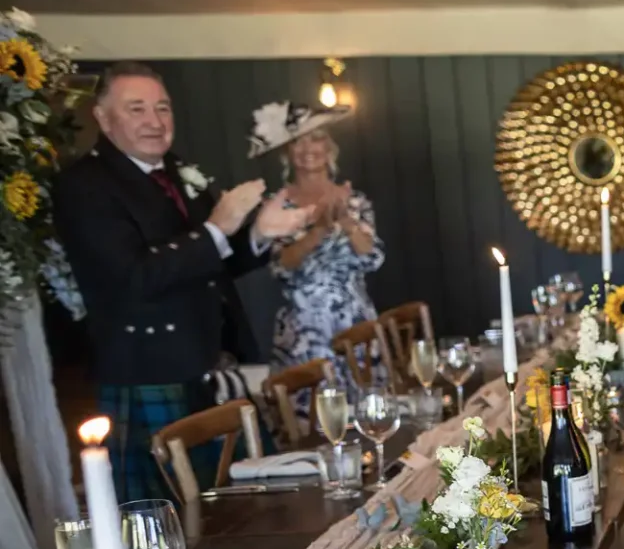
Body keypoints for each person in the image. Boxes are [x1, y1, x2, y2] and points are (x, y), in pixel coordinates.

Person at [53, 62, 310, 499]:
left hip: (205, 363)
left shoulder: (174, 172)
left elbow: (212, 261)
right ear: (103, 117)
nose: (154, 121)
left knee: (243, 505)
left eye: (163, 108)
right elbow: (134, 277)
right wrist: (217, 228)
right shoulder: (84, 187)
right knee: (166, 516)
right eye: (137, 109)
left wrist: (261, 232)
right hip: (146, 370)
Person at [246, 102, 383, 388]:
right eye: (298, 142)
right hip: (303, 332)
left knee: (367, 416)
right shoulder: (276, 206)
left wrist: (345, 221)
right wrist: (319, 229)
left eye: (317, 139)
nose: (309, 149)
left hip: (355, 324)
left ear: (330, 148)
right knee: (308, 421)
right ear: (287, 151)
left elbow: (372, 258)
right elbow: (282, 267)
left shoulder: (354, 200)